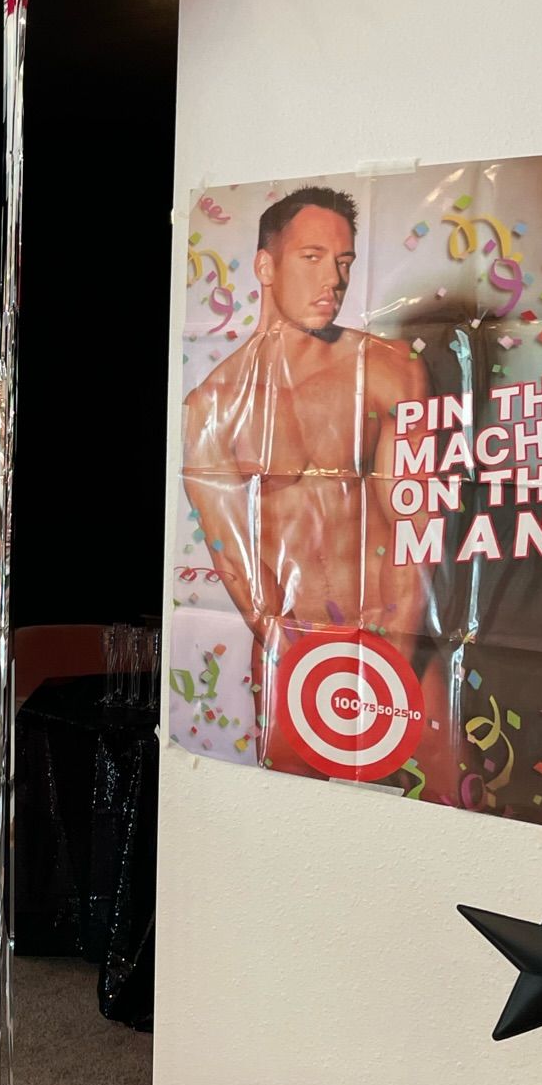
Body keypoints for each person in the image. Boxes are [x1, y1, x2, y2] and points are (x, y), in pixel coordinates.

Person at [182, 185, 449, 780]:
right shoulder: (212, 406)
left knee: (437, 834)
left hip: (399, 644)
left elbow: (415, 525)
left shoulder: (390, 368)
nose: (333, 278)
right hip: (291, 660)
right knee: (292, 830)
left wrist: (387, 671)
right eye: (312, 257)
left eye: (344, 261)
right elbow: (240, 569)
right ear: (265, 265)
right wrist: (314, 674)